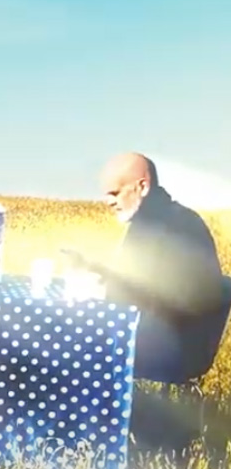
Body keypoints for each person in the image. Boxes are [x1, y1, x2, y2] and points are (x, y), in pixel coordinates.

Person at [67, 152, 226, 385]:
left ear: (142, 187)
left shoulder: (169, 227)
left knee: (69, 343)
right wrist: (94, 269)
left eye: (115, 193)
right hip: (172, 337)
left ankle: (88, 417)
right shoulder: (162, 218)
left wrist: (99, 293)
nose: (109, 202)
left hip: (174, 348)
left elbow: (163, 299)